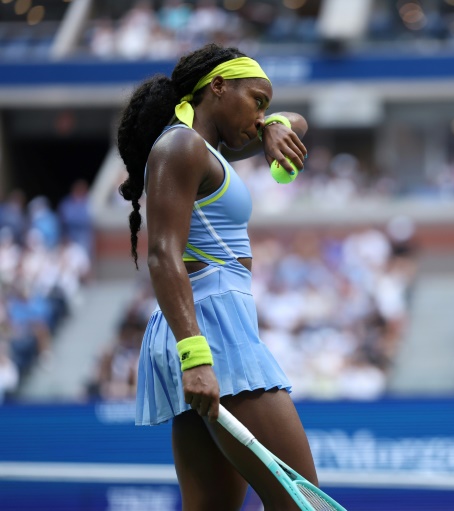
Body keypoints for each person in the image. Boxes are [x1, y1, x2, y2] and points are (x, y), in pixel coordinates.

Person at [116, 44, 315, 511]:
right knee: (303, 503)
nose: (260, 114)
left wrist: (275, 125)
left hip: (204, 326)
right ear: (219, 87)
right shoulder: (181, 145)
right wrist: (196, 356)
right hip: (209, 329)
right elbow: (163, 255)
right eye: (257, 101)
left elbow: (298, 122)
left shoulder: (205, 149)